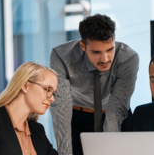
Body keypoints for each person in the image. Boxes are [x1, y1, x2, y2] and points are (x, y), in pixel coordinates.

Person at [49, 14, 139, 155]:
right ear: (83, 45)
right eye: (96, 52)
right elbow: (61, 108)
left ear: (114, 39)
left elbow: (115, 109)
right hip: (77, 117)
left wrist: (111, 149)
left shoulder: (128, 59)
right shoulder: (61, 57)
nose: (105, 59)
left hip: (116, 112)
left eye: (109, 49)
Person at [0, 62, 59, 155]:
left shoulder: (37, 130)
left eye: (53, 93)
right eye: (47, 89)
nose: (52, 98)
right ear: (25, 86)